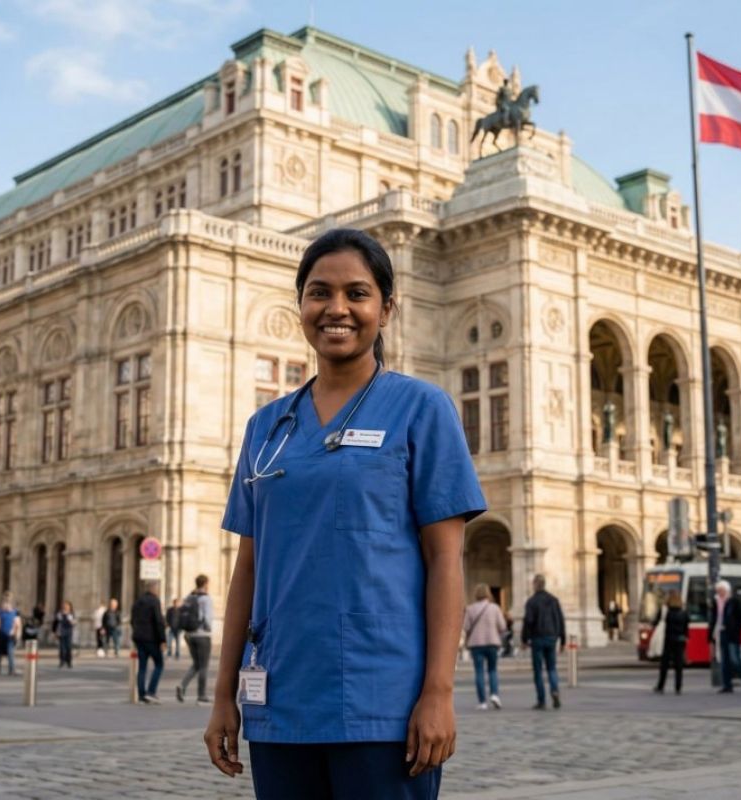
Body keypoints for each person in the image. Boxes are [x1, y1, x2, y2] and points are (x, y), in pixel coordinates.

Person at [204, 228, 486, 799]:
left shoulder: (421, 408)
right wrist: (222, 695)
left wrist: (438, 692)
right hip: (281, 701)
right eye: (319, 292)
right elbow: (249, 571)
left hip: (382, 705)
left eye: (357, 293)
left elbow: (446, 560)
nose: (337, 309)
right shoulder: (267, 428)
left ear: (386, 308)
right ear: (301, 306)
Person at [522, 574, 566, 710]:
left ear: (535, 584)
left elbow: (528, 621)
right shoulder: (553, 600)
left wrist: (524, 639)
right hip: (552, 637)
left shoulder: (532, 601)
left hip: (537, 638)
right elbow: (560, 619)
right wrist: (562, 639)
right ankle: (554, 690)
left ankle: (541, 700)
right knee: (552, 667)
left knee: (538, 671)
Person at [462, 584, 506, 710]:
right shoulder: (494, 608)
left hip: (476, 644)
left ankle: (482, 702)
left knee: (479, 672)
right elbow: (502, 626)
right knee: (492, 670)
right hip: (492, 642)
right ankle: (494, 694)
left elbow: (466, 627)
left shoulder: (470, 609)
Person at [176, 574, 214, 704]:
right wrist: (209, 629)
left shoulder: (189, 597)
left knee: (196, 664)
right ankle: (201, 695)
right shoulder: (206, 599)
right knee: (204, 666)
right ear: (205, 584)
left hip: (189, 635)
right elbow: (208, 618)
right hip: (202, 635)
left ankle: (182, 686)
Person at [709, 579, 741, 693]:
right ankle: (727, 685)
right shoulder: (716, 602)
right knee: (724, 660)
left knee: (735, 659)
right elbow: (714, 619)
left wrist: (736, 627)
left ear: (727, 590)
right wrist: (711, 636)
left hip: (732, 635)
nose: (719, 593)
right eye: (718, 591)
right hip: (721, 633)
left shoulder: (734, 601)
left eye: (721, 590)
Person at [131, 581, 167, 702]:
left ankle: (142, 694)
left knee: (142, 667)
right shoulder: (154, 601)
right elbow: (158, 621)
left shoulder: (138, 601)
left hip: (139, 638)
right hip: (151, 639)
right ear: (154, 589)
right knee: (159, 664)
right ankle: (151, 691)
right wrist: (162, 639)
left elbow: (132, 619)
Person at [654, 591, 689, 694]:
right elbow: (686, 628)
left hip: (668, 640)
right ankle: (678, 687)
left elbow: (655, 622)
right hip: (680, 640)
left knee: (664, 664)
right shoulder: (684, 613)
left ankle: (661, 686)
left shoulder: (666, 612)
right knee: (679, 665)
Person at [0, 592, 21, 676]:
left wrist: (17, 635)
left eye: (8, 602)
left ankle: (11, 669)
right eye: (5, 601)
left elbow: (18, 624)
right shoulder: (0, 612)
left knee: (10, 652)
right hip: (1, 635)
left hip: (10, 636)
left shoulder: (15, 612)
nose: (7, 604)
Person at [53, 601, 75, 668]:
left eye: (67, 606)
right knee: (62, 648)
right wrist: (55, 632)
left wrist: (71, 621)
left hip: (68, 632)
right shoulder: (59, 614)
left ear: (70, 607)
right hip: (61, 632)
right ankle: (62, 661)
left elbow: (74, 623)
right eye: (64, 606)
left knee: (68, 647)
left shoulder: (71, 614)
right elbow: (55, 623)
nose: (66, 607)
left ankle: (69, 661)